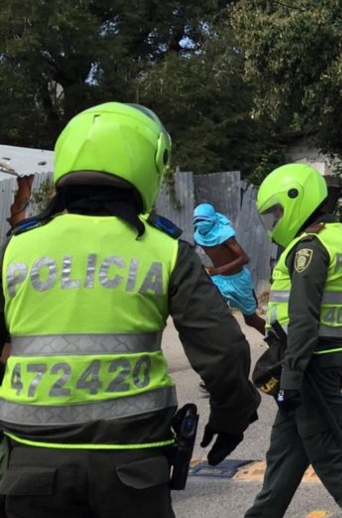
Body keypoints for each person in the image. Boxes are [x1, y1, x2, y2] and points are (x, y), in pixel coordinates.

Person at [0, 102, 258, 518]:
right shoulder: (165, 249)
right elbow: (224, 349)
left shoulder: (17, 247)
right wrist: (233, 415)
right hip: (132, 465)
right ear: (148, 164)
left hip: (30, 466)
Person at [246, 163, 342, 518]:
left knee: (334, 449)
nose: (275, 222)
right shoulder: (339, 240)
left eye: (277, 212)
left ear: (296, 201)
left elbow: (304, 319)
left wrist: (291, 378)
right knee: (286, 449)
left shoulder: (309, 248)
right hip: (326, 357)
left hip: (308, 362)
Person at [193, 202, 267, 336]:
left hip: (238, 280)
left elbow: (244, 258)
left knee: (251, 320)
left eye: (203, 220)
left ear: (212, 220)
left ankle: (278, 342)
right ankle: (226, 346)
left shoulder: (225, 235)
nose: (200, 224)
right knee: (213, 313)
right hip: (219, 281)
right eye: (197, 221)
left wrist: (219, 270)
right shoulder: (199, 236)